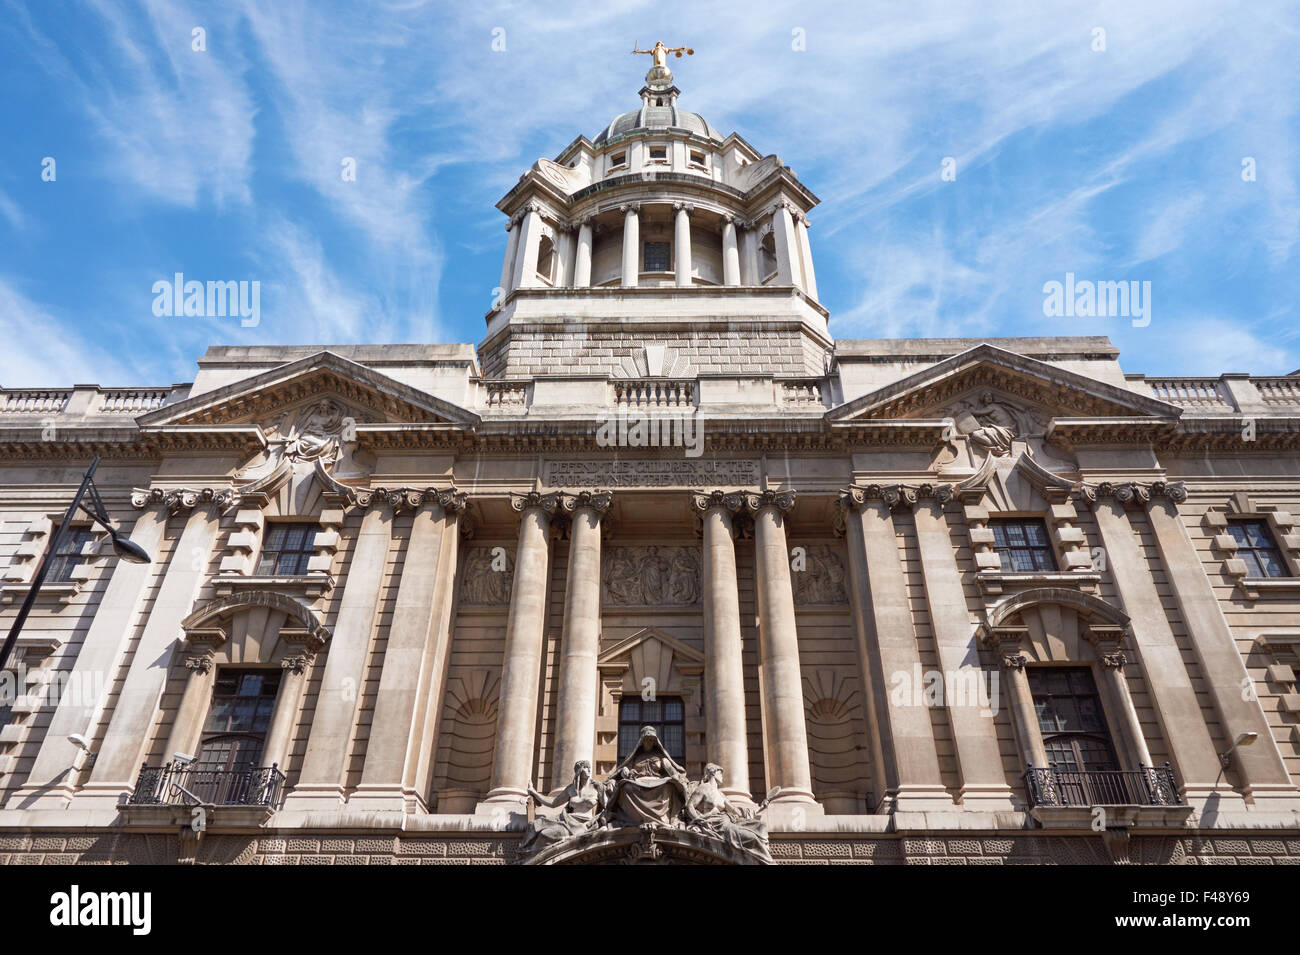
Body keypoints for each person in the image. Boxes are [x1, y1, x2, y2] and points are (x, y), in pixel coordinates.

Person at [684, 763, 772, 862]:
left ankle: (765, 860)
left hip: (727, 820)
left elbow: (736, 812)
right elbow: (690, 806)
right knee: (752, 838)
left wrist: (761, 807)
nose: (722, 776)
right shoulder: (704, 788)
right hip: (716, 824)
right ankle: (767, 862)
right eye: (720, 773)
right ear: (713, 772)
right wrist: (698, 819)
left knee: (761, 826)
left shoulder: (721, 794)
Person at [519, 760, 605, 856]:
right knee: (535, 825)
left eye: (589, 767)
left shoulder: (597, 787)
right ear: (579, 771)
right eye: (585, 767)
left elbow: (608, 807)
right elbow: (553, 803)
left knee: (545, 834)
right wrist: (534, 792)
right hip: (567, 820)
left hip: (584, 825)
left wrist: (598, 822)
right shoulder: (571, 789)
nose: (589, 769)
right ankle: (523, 854)